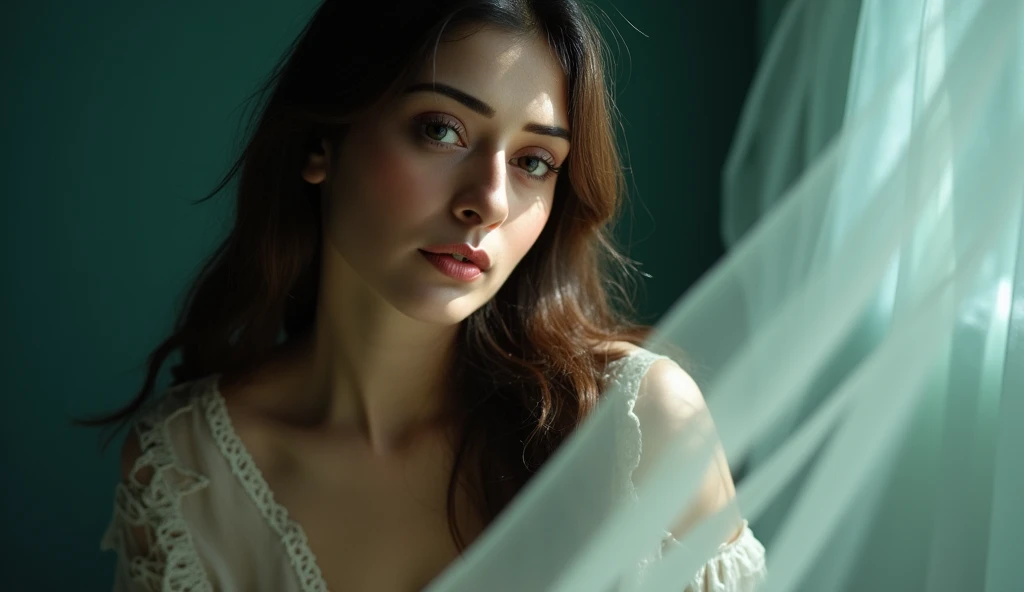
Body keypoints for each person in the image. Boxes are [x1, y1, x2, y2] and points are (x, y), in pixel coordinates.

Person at [85, 0, 767, 589]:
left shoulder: (636, 429)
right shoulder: (185, 472)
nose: (489, 201)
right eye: (442, 130)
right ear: (322, 142)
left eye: (534, 162)